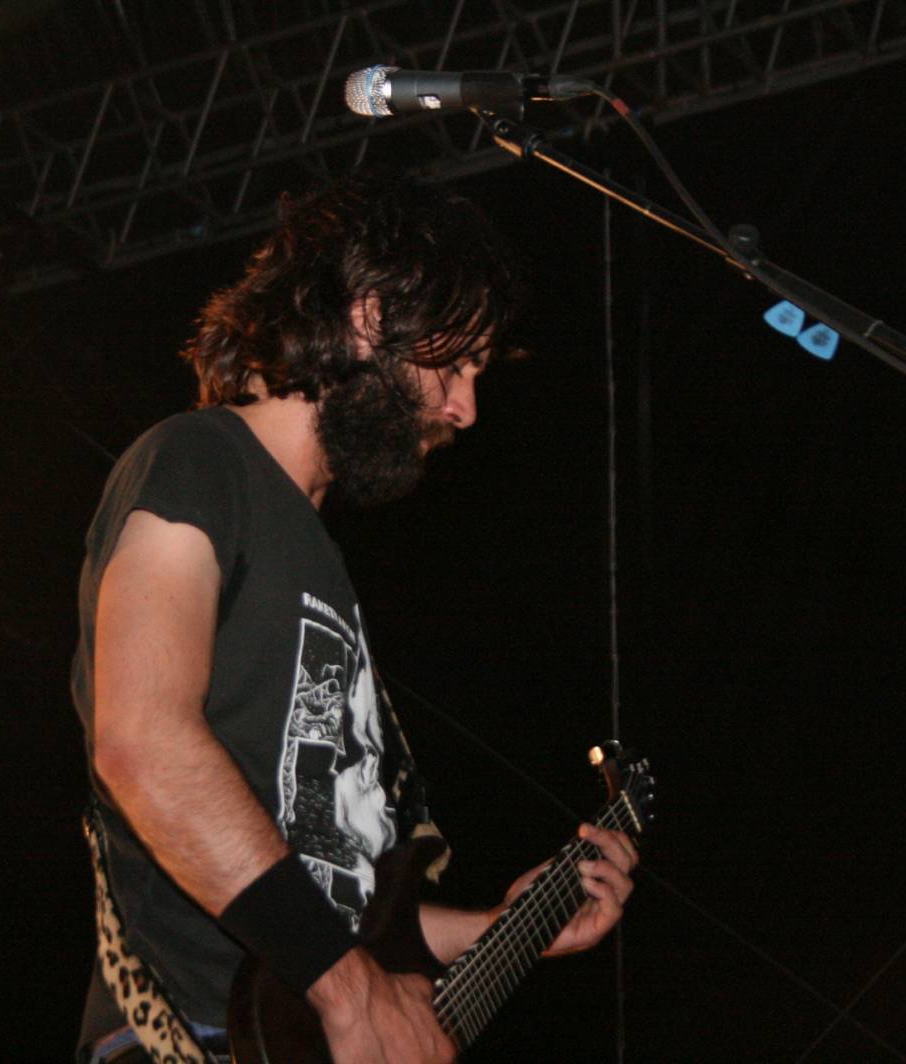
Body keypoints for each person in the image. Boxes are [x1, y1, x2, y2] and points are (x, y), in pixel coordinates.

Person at [69, 169, 637, 1064]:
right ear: (372, 316)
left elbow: (337, 895)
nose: (465, 409)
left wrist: (507, 927)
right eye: (456, 364)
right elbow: (142, 741)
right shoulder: (198, 462)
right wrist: (353, 989)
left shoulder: (318, 556)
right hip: (194, 1038)